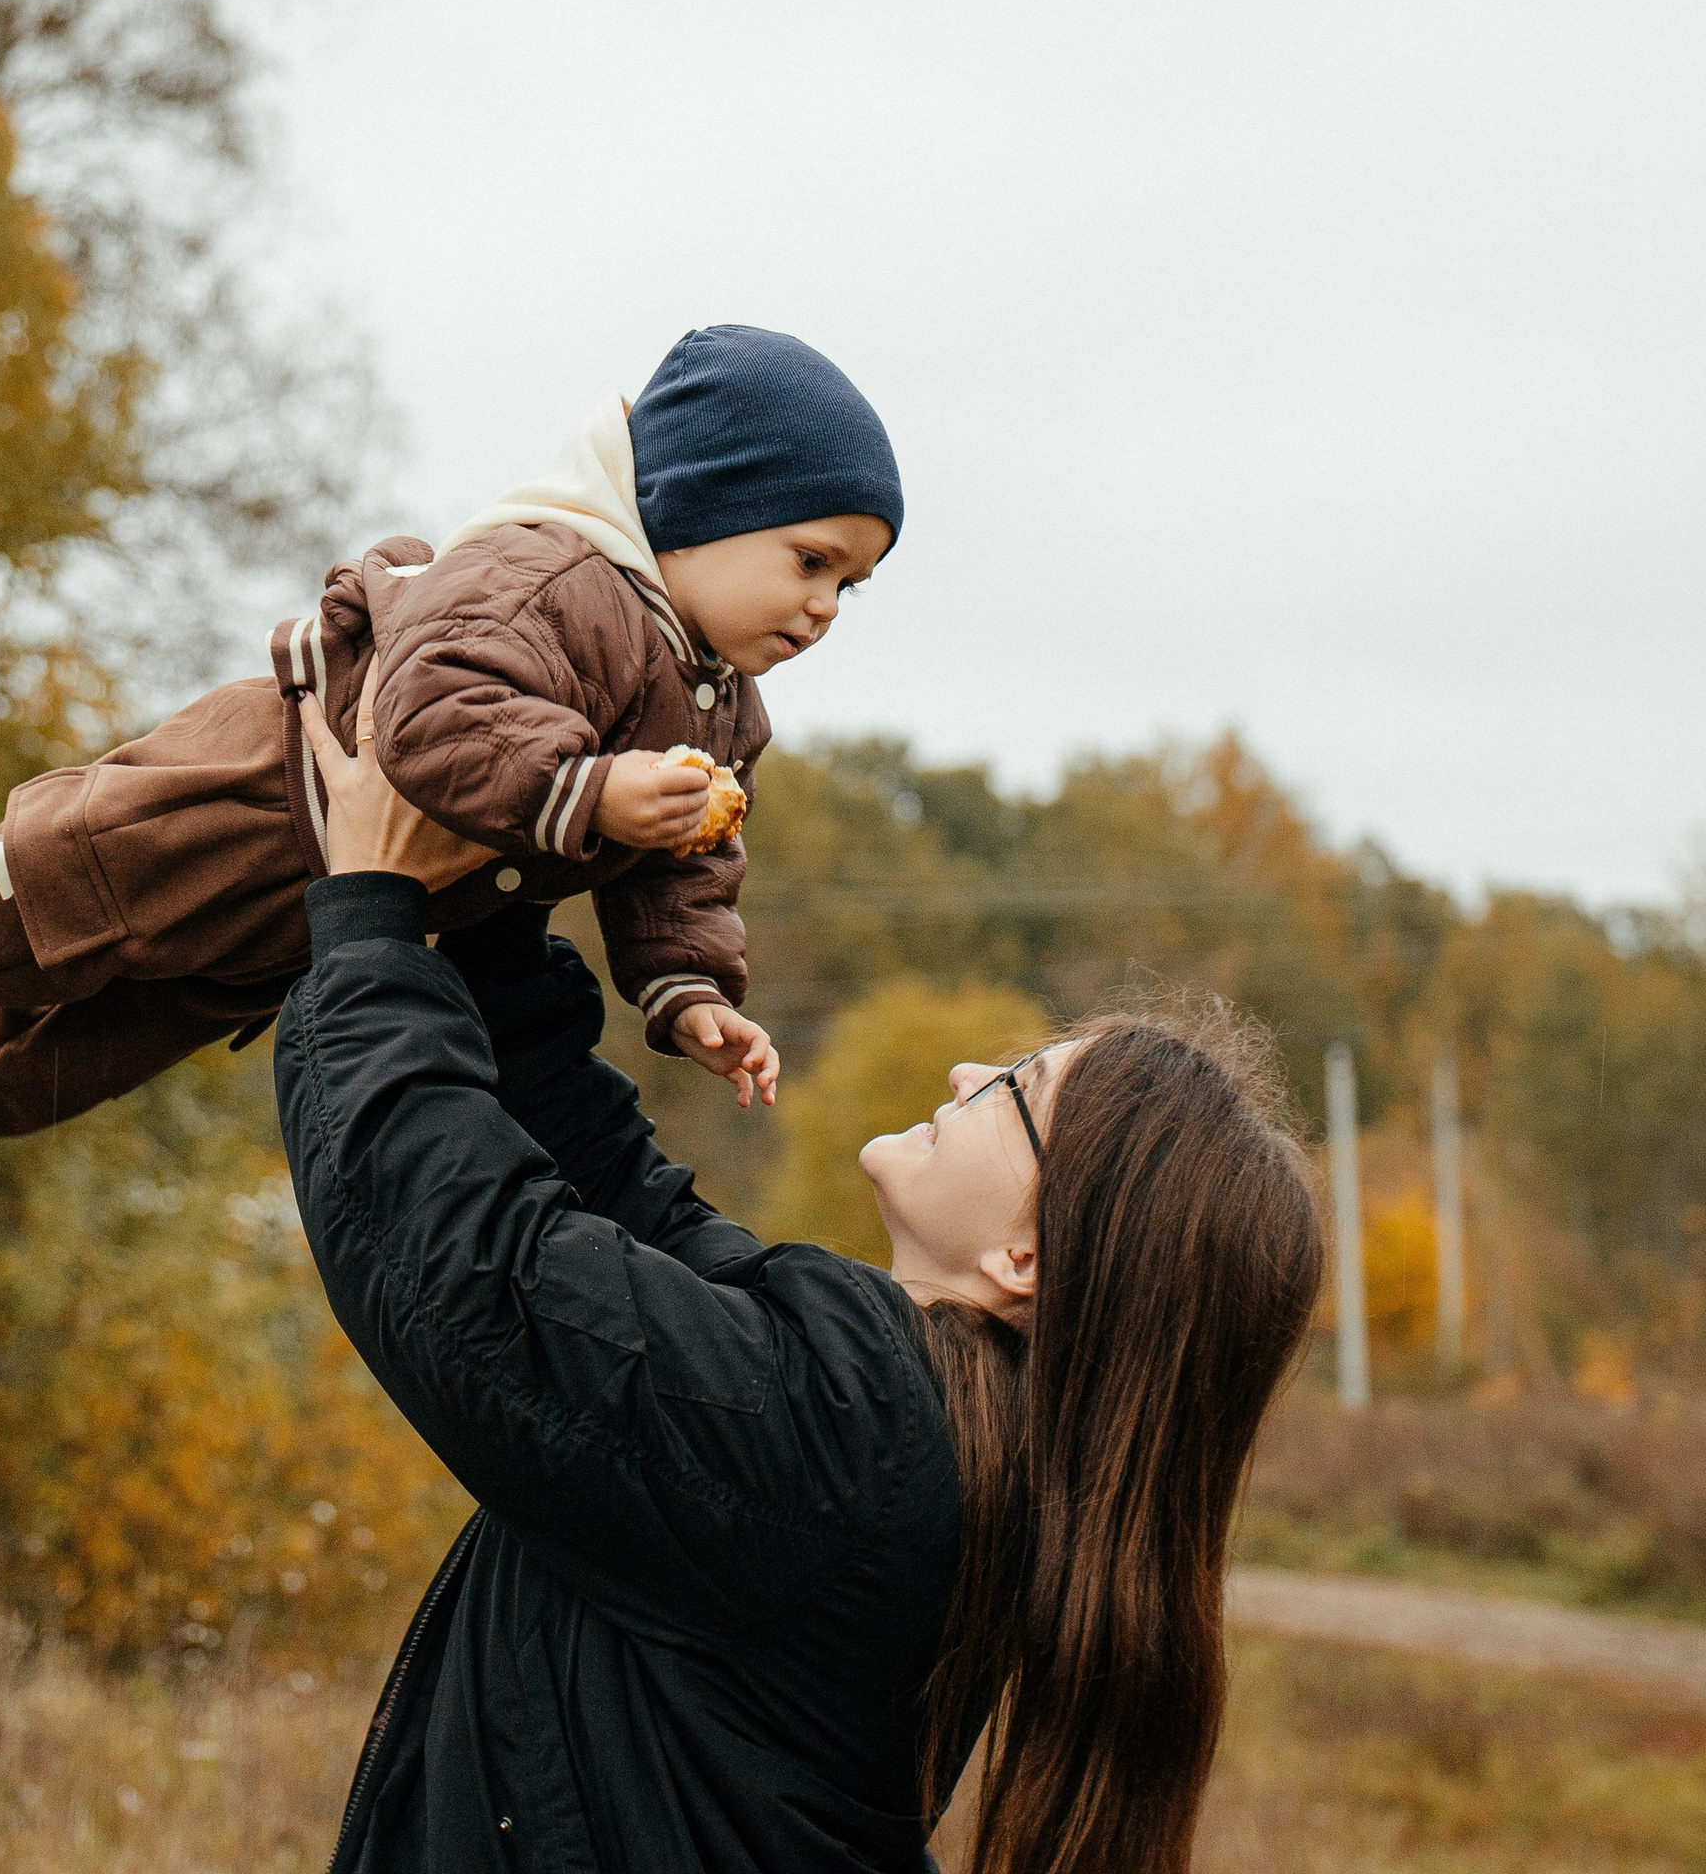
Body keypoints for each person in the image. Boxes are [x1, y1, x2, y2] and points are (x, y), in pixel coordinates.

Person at [282, 691, 1326, 1874]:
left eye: (1016, 1089)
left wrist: (368, 918)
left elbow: (469, 1270)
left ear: (1026, 1258)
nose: (967, 1069)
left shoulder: (850, 1435)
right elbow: (623, 1208)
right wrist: (494, 911)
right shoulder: (926, 1439)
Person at [0, 325, 901, 1303]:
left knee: (91, 1047)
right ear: (699, 504)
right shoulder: (553, 575)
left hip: (322, 909)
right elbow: (430, 710)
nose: (825, 607)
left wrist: (688, 987)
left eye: (851, 584)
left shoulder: (719, 710)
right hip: (239, 804)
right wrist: (592, 789)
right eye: (810, 559)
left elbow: (681, 863)